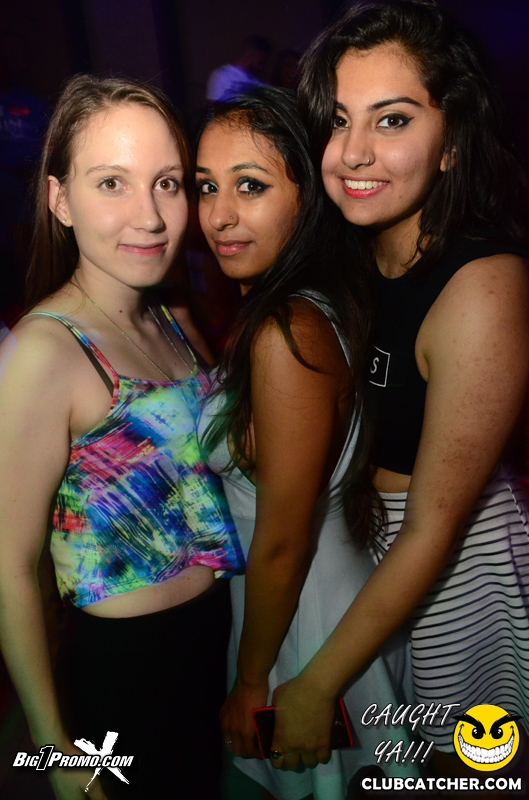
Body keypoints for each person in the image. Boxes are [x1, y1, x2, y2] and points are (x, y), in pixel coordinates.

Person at [268, 0, 529, 778]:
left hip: (456, 570)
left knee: (469, 774)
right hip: (375, 555)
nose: (352, 152)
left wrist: (315, 686)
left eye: (391, 120)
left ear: (451, 143)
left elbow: (434, 526)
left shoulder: (482, 285)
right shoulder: (356, 257)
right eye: (337, 120)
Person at [0, 74, 243, 800]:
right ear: (60, 199)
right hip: (127, 674)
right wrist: (56, 753)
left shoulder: (172, 316)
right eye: (112, 183)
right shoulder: (45, 352)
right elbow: (8, 568)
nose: (150, 216)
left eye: (167, 183)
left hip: (215, 639)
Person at [196, 87, 419, 800]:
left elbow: (284, 541)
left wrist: (252, 682)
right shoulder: (302, 303)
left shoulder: (287, 330)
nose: (218, 215)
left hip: (302, 623)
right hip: (304, 604)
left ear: (307, 200)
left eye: (250, 186)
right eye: (206, 186)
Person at [206, 35, 271, 102]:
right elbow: (214, 105)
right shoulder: (223, 76)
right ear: (249, 56)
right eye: (260, 62)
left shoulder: (254, 80)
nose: (261, 67)